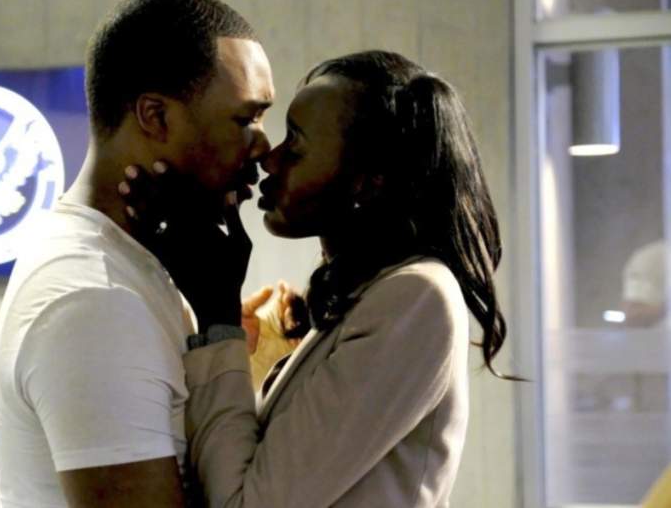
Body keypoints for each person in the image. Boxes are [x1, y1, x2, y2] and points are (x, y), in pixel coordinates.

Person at [122, 50, 511, 507]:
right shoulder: (366, 295)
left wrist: (218, 316)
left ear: (368, 182)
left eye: (295, 144)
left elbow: (246, 504)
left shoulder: (417, 296)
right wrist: (247, 355)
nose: (269, 159)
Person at [0, 0, 273, 507]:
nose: (264, 149)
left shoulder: (128, 267)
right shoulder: (94, 298)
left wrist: (219, 316)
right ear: (155, 116)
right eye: (245, 119)